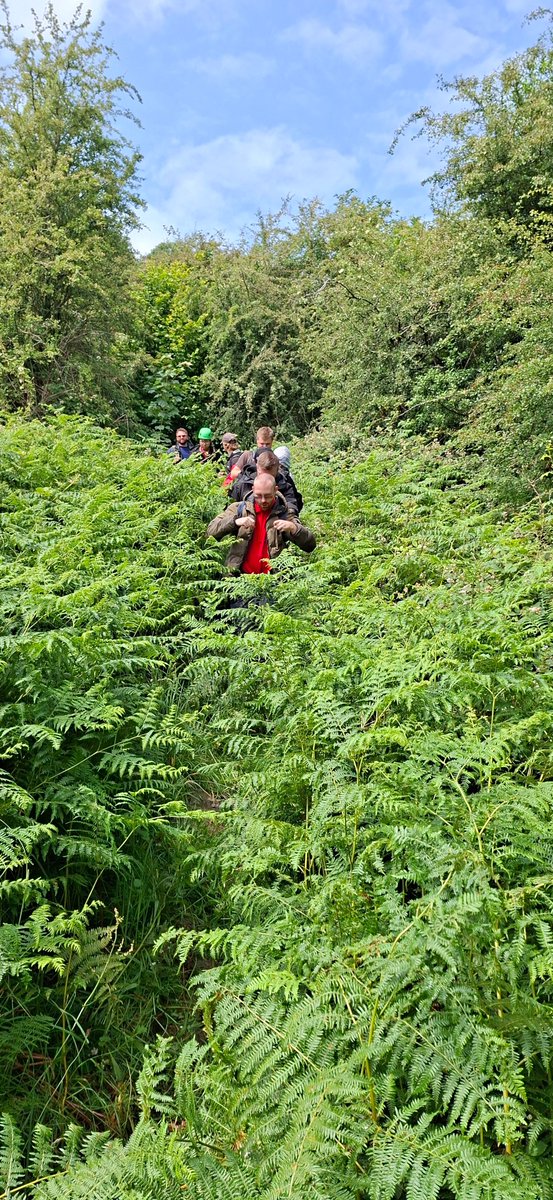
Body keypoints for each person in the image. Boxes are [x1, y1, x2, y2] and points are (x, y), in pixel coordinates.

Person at [206, 473, 315, 574]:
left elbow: (310, 545)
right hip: (239, 579)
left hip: (273, 580)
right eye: (258, 495)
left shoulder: (284, 513)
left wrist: (293, 528)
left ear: (275, 490)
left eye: (267, 496)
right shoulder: (239, 508)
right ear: (253, 490)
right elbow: (210, 531)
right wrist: (234, 521)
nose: (263, 500)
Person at [230, 449, 303, 514]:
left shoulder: (285, 484)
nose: (265, 478)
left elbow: (293, 505)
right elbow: (230, 510)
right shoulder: (243, 484)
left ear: (277, 470)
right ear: (257, 467)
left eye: (270, 476)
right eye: (262, 474)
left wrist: (288, 515)